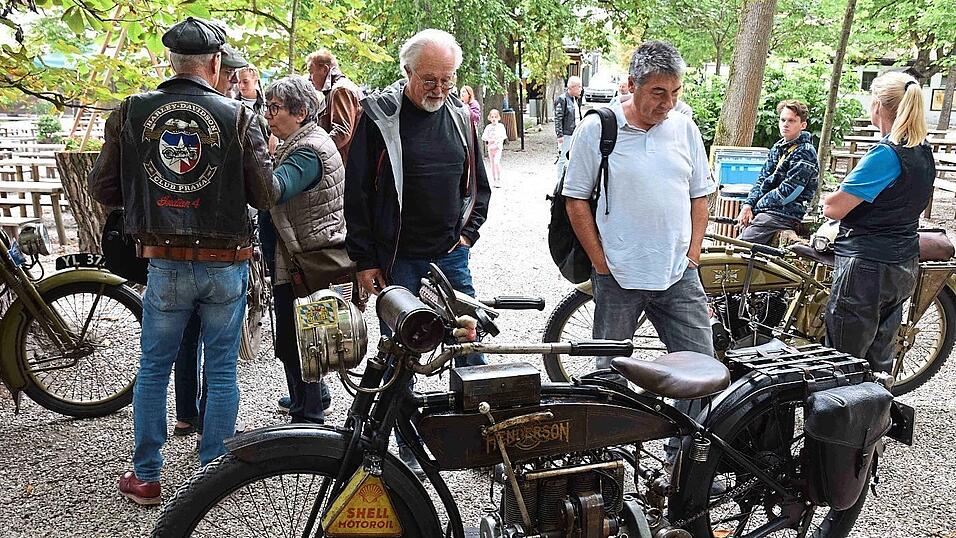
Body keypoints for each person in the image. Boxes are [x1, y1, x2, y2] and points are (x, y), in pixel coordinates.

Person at [88, 17, 281, 506]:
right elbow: (264, 194)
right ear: (215, 64)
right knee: (221, 371)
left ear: (170, 63)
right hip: (226, 262)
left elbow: (101, 189)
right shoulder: (239, 116)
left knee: (153, 368)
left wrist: (148, 194)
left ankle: (148, 476)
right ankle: (212, 477)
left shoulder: (131, 112)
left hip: (165, 262)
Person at [344, 28, 491, 476]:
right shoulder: (378, 116)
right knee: (400, 353)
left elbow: (478, 184)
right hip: (397, 259)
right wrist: (365, 259)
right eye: (429, 79)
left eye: (447, 79)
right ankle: (403, 449)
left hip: (449, 256)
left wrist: (468, 234)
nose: (439, 89)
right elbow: (357, 195)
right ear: (406, 72)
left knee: (469, 344)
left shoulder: (463, 116)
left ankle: (482, 443)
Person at [563, 41, 715, 464]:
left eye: (676, 92)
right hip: (618, 276)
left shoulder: (685, 127)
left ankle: (686, 462)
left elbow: (700, 196)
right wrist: (600, 262)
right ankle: (604, 466)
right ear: (632, 85)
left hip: (677, 274)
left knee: (701, 371)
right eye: (659, 93)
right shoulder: (598, 127)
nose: (669, 103)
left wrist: (693, 256)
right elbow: (574, 199)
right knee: (607, 375)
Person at [823, 72, 934, 374]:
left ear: (878, 106)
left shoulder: (885, 154)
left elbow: (835, 207)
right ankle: (875, 418)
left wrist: (826, 202)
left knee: (843, 361)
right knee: (879, 360)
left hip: (868, 267)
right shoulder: (923, 151)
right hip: (903, 264)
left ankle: (845, 419)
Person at [261, 75, 345, 424]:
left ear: (301, 112)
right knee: (297, 336)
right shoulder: (301, 141)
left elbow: (274, 190)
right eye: (267, 107)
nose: (268, 115)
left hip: (305, 263)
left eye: (275, 108)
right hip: (299, 259)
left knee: (301, 341)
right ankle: (309, 397)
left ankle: (309, 415)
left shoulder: (307, 150)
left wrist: (252, 156)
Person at [737, 99, 818, 244]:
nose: (786, 124)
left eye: (792, 121)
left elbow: (789, 191)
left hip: (785, 214)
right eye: (783, 120)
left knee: (740, 245)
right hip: (768, 211)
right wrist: (748, 205)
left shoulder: (806, 152)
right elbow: (762, 179)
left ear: (803, 125)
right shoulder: (778, 147)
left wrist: (757, 207)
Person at [307, 49, 363, 161]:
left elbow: (342, 132)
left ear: (324, 69)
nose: (309, 78)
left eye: (311, 71)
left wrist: (314, 153)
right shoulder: (339, 89)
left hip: (348, 165)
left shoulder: (340, 90)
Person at [554, 75, 582, 180]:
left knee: (573, 157)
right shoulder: (562, 99)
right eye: (579, 87)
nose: (580, 89)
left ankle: (568, 178)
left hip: (574, 132)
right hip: (566, 133)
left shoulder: (575, 99)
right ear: (573, 87)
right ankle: (560, 180)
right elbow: (558, 117)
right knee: (563, 157)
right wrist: (559, 135)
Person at [482, 108, 507, 187]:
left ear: (498, 118)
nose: (494, 119)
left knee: (496, 162)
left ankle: (499, 179)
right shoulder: (488, 127)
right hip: (490, 148)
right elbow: (484, 137)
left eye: (495, 117)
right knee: (492, 164)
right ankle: (494, 180)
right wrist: (489, 140)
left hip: (498, 147)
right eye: (492, 117)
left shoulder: (501, 126)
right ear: (489, 118)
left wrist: (498, 141)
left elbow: (503, 136)